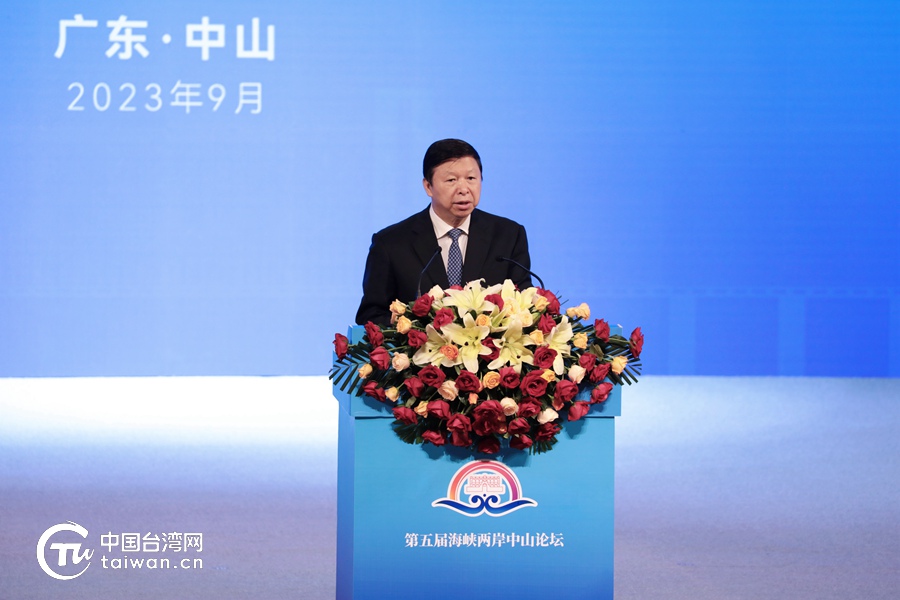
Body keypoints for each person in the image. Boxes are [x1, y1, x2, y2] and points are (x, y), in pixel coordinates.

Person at [355, 139, 533, 325]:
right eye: (451, 180)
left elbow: (524, 304)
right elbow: (371, 315)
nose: (464, 189)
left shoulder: (508, 235)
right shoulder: (391, 243)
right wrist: (409, 327)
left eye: (471, 178)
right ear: (428, 186)